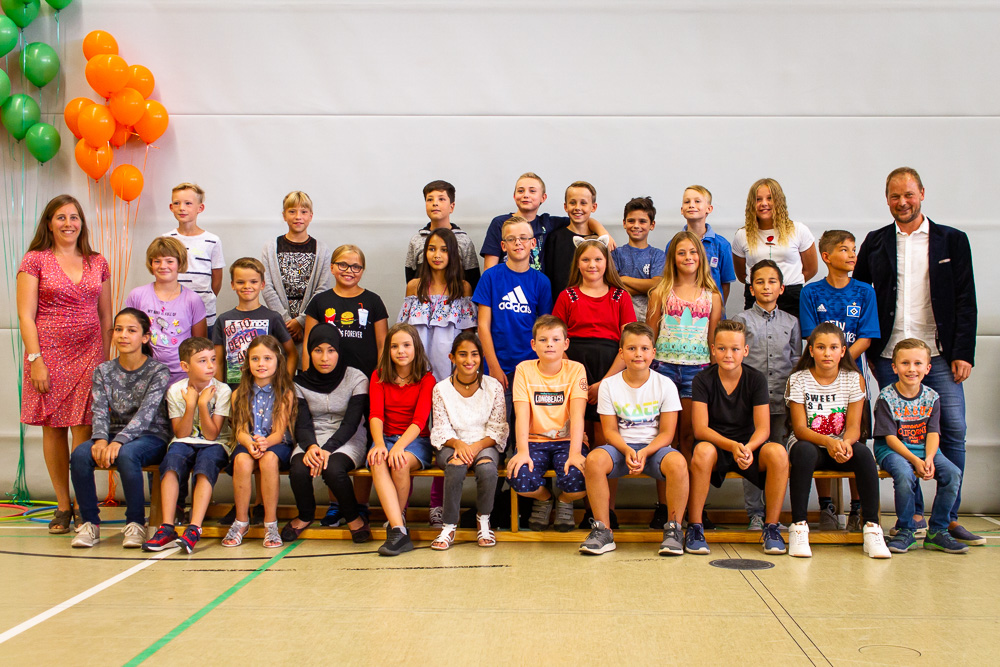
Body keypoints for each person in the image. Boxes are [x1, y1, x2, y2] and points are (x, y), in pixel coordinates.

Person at [854, 166, 983, 547]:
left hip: (939, 354)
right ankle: (913, 518)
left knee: (953, 429)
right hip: (889, 355)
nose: (902, 202)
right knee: (902, 433)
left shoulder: (952, 240)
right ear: (887, 199)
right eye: (895, 196)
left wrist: (963, 352)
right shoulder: (876, 242)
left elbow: (966, 299)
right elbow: (861, 297)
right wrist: (867, 348)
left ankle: (948, 519)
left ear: (922, 194)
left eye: (909, 194)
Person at [16, 194, 112, 533]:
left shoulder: (98, 262)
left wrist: (105, 361)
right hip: (48, 355)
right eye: (61, 217)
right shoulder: (35, 260)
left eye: (74, 217)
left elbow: (106, 316)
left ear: (82, 223)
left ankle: (84, 503)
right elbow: (25, 316)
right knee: (53, 428)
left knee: (83, 428)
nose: (68, 223)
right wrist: (36, 360)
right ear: (49, 223)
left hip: (90, 354)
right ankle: (62, 505)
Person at [580, 322, 687, 556]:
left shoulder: (665, 385)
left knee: (679, 462)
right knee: (594, 460)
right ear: (621, 353)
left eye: (644, 348)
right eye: (631, 348)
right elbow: (610, 431)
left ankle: (674, 530)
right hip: (621, 449)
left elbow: (667, 434)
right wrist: (628, 450)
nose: (638, 354)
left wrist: (645, 452)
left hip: (655, 450)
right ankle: (603, 530)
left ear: (653, 353)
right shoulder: (609, 385)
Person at [785, 323, 890, 559]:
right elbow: (800, 429)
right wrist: (829, 442)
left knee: (864, 454)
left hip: (842, 446)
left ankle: (872, 528)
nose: (827, 353)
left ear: (843, 351)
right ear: (811, 350)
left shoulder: (854, 379)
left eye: (833, 347)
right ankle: (799, 527)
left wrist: (845, 443)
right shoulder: (798, 379)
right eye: (821, 347)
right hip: (811, 444)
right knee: (803, 452)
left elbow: (854, 427)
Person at [69, 308, 171, 548]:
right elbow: (99, 409)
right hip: (113, 435)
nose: (123, 335)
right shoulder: (103, 371)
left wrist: (119, 441)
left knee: (127, 455)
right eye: (118, 329)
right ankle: (89, 523)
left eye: (131, 330)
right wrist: (100, 439)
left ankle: (135, 523)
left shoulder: (158, 371)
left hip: (150, 436)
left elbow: (146, 414)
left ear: (145, 337)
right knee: (80, 455)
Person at [686, 320, 789, 556]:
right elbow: (700, 429)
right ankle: (695, 527)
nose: (728, 355)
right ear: (713, 349)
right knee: (702, 451)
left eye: (735, 349)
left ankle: (771, 528)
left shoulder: (756, 379)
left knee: (778, 453)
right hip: (717, 445)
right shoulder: (702, 379)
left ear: (745, 350)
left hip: (747, 447)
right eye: (722, 348)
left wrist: (748, 448)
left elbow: (763, 428)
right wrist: (732, 446)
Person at [799, 230, 880, 531]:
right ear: (826, 256)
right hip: (819, 381)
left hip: (853, 379)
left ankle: (858, 509)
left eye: (853, 249)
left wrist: (841, 364)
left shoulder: (865, 292)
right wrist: (829, 365)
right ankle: (827, 507)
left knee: (854, 441)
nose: (852, 255)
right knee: (820, 436)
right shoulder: (811, 292)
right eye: (844, 249)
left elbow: (866, 337)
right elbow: (811, 337)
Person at [302, 244, 388, 524]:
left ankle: (360, 504)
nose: (349, 271)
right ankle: (336, 503)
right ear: (332, 267)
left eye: (355, 266)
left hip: (365, 384)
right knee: (331, 437)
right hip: (329, 385)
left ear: (362, 270)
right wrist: (309, 379)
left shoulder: (373, 301)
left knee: (365, 440)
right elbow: (308, 345)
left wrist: (380, 381)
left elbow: (382, 344)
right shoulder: (320, 302)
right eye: (343, 265)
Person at [398, 227, 476, 527]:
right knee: (411, 438)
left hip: (448, 379)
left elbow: (467, 338)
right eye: (432, 249)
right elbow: (404, 333)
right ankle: (400, 507)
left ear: (453, 254)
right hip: (416, 376)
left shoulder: (463, 288)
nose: (437, 255)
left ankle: (437, 505)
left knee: (443, 441)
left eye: (443, 249)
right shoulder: (414, 286)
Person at [646, 230, 723, 528]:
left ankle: (693, 508)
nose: (688, 257)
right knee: (665, 440)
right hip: (664, 370)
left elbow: (713, 340)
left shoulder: (712, 296)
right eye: (681, 253)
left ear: (700, 257)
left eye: (692, 252)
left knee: (690, 438)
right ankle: (665, 506)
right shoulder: (660, 292)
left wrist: (715, 376)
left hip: (698, 373)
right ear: (673, 258)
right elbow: (650, 336)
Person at [874, 339, 967, 554]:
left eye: (918, 363)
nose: (911, 369)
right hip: (893, 450)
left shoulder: (932, 397)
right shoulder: (886, 397)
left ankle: (938, 531)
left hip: (925, 449)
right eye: (905, 363)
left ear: (927, 368)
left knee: (953, 473)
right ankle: (906, 529)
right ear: (894, 367)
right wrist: (916, 461)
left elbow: (933, 432)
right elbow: (890, 438)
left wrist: (930, 458)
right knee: (905, 474)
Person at [281, 324, 372, 544]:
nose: (324, 358)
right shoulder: (299, 383)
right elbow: (302, 424)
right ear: (309, 352)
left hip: (348, 437)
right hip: (312, 436)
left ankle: (353, 517)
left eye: (331, 350)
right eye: (318, 350)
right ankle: (305, 515)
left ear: (339, 351)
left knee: (333, 469)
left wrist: (327, 449)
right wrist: (312, 447)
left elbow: (351, 423)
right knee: (298, 469)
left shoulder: (357, 378)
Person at [142, 337, 232, 554]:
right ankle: (167, 527)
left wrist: (202, 404)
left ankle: (194, 528)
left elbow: (211, 435)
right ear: (185, 366)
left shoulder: (223, 390)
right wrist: (190, 404)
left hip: (215, 444)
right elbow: (181, 433)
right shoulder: (175, 390)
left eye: (213, 359)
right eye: (202, 361)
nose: (210, 366)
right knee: (171, 463)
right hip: (184, 441)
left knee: (205, 465)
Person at [732, 260, 800, 530]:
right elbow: (734, 362)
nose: (766, 287)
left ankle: (774, 514)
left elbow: (796, 361)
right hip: (749, 404)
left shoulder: (791, 322)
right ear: (751, 289)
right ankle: (755, 514)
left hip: (781, 402)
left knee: (778, 458)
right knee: (750, 457)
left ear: (782, 288)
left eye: (772, 282)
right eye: (759, 282)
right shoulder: (741, 320)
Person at [473, 216, 553, 433]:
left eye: (523, 238)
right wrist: (493, 365)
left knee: (526, 427)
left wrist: (539, 366)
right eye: (512, 239)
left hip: (530, 366)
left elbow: (545, 329)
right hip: (497, 364)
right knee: (497, 428)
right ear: (503, 245)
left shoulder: (542, 282)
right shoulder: (490, 277)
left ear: (533, 243)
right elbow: (483, 326)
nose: (518, 243)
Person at [507, 315, 588, 532]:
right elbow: (521, 415)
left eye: (555, 339)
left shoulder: (576, 369)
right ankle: (545, 499)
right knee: (519, 478)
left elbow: (578, 416)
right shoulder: (523, 370)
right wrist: (522, 451)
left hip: (568, 441)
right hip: (533, 441)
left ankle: (564, 501)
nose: (549, 344)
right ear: (533, 344)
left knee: (581, 480)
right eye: (543, 340)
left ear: (566, 344)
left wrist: (575, 453)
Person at [429, 332, 509, 550]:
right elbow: (441, 427)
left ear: (481, 357)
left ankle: (484, 521)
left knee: (487, 469)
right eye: (462, 354)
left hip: (484, 443)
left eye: (474, 354)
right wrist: (459, 445)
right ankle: (448, 526)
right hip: (452, 444)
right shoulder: (441, 389)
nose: (469, 360)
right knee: (455, 467)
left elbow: (498, 428)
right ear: (452, 357)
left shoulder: (493, 386)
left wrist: (474, 447)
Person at [552, 238, 636, 434]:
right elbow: (555, 340)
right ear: (577, 263)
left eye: (598, 259)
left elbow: (630, 343)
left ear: (607, 262)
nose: (592, 265)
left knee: (604, 431)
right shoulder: (567, 296)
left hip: (610, 370)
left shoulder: (620, 296)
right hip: (573, 369)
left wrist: (604, 383)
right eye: (586, 259)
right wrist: (576, 378)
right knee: (578, 428)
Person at [222, 335, 297, 548]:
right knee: (242, 461)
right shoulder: (239, 394)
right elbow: (240, 430)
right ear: (248, 362)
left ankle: (270, 524)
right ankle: (241, 521)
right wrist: (249, 443)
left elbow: (279, 432)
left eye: (267, 358)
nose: (261, 364)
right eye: (255, 359)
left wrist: (265, 443)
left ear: (277, 361)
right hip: (249, 443)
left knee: (269, 460)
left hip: (276, 444)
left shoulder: (285, 393)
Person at [368, 323, 436, 556]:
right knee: (377, 460)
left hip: (415, 440)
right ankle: (399, 529)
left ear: (416, 348)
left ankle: (397, 523)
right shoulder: (378, 376)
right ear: (388, 350)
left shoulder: (427, 379)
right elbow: (376, 415)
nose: (401, 351)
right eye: (395, 346)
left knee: (400, 462)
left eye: (406, 345)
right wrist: (379, 444)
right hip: (385, 437)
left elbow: (420, 421)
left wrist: (399, 446)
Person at [481, 172, 612, 271]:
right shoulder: (500, 223)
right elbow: (489, 269)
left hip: (536, 290)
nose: (526, 195)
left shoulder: (547, 223)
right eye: (521, 191)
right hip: (505, 288)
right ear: (515, 196)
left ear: (543, 197)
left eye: (532, 191)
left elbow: (581, 219)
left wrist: (603, 233)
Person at [124, 237, 207, 385]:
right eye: (157, 261)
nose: (163, 266)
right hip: (144, 373)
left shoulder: (193, 300)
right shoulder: (137, 296)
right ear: (151, 264)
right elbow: (128, 335)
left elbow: (199, 344)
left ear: (179, 263)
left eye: (169, 261)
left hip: (182, 376)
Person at [731, 178, 817, 318]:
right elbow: (741, 274)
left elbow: (811, 269)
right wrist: (762, 286)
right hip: (756, 299)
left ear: (779, 201)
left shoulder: (798, 230)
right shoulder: (742, 235)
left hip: (792, 299)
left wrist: (783, 285)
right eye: (758, 199)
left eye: (770, 198)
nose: (764, 203)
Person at [261, 191, 332, 345]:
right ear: (284, 215)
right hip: (279, 322)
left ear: (311, 216)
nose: (298, 217)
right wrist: (286, 321)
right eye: (292, 211)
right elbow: (267, 287)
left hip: (311, 321)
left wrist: (300, 321)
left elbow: (322, 289)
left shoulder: (322, 250)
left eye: (303, 212)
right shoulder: (270, 247)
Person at [213, 257, 295, 387]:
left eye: (253, 281)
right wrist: (219, 392)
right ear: (233, 285)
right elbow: (218, 361)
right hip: (233, 391)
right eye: (240, 282)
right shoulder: (223, 320)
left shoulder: (273, 317)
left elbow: (292, 354)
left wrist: (285, 385)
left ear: (262, 284)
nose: (247, 286)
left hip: (267, 390)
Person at [162, 182, 225, 327]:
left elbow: (217, 278)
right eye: (176, 203)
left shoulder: (212, 241)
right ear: (171, 207)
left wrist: (206, 298)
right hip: (173, 311)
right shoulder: (166, 240)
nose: (181, 208)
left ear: (200, 208)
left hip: (204, 311)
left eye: (188, 203)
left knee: (202, 341)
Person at [403, 179, 481, 290]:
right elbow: (411, 276)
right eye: (430, 199)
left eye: (441, 199)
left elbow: (473, 278)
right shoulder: (417, 240)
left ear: (451, 207)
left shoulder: (464, 240)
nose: (435, 203)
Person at [667, 185, 735, 305]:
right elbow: (670, 278)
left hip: (712, 309)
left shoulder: (722, 245)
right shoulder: (673, 245)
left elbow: (725, 283)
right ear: (682, 210)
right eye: (687, 202)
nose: (691, 205)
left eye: (697, 201)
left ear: (709, 208)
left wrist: (718, 308)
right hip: (681, 309)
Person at [541, 181, 599, 301]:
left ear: (593, 207)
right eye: (572, 203)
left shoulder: (599, 241)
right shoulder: (554, 238)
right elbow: (549, 276)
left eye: (583, 203)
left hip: (591, 304)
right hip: (561, 305)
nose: (577, 207)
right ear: (565, 206)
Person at [611, 196, 666, 322]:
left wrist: (623, 279)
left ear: (652, 225)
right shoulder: (616, 254)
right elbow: (612, 287)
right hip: (620, 318)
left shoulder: (658, 255)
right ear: (624, 223)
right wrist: (645, 287)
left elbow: (656, 284)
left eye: (642, 221)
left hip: (650, 318)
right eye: (631, 221)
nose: (636, 226)